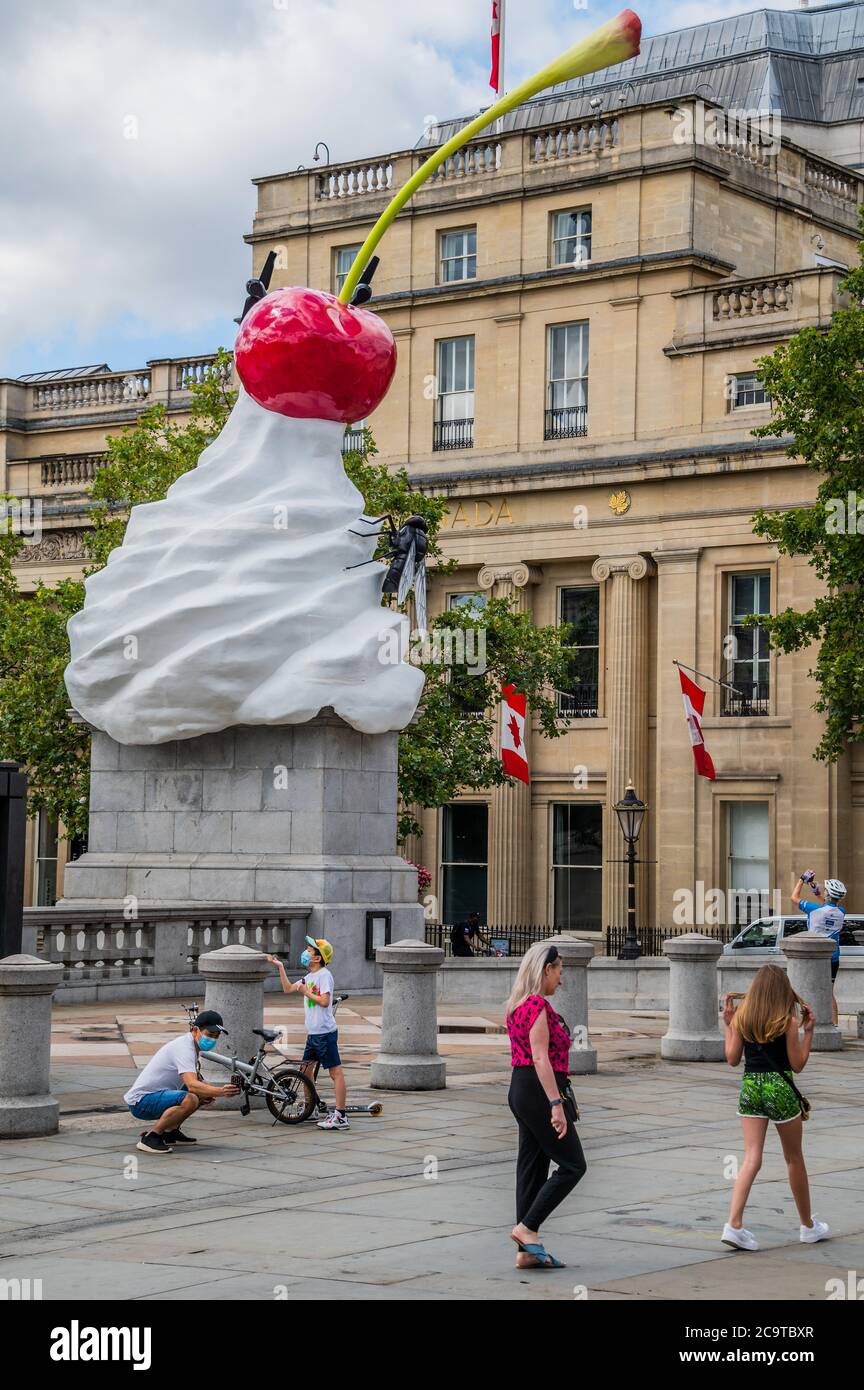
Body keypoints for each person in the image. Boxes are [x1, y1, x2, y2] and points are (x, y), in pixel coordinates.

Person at [721, 963, 828, 1251]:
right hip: (779, 1089)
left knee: (751, 1157)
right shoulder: (787, 1021)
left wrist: (728, 1024)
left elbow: (732, 1059)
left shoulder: (743, 1016)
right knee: (793, 1158)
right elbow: (797, 1065)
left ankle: (734, 1224)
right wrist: (810, 1032)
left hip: (751, 1087)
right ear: (782, 990)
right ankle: (807, 1226)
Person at [505, 941, 587, 1270]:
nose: (561, 979)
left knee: (531, 1167)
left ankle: (526, 1252)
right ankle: (527, 1228)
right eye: (559, 972)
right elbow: (540, 1057)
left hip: (520, 1088)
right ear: (546, 970)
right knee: (573, 1165)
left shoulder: (516, 1005)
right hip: (540, 1091)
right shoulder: (537, 1006)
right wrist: (556, 1103)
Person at [124, 1009, 239, 1154]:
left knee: (203, 1092)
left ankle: (170, 1131)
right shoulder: (184, 1048)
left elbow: (198, 1082)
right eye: (210, 1035)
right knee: (191, 1098)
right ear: (196, 1030)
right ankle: (151, 1137)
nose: (213, 1040)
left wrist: (208, 1091)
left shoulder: (191, 1045)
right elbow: (192, 1085)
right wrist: (221, 1091)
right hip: (141, 1102)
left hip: (154, 1096)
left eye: (216, 1037)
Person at [266, 936, 348, 1130]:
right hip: (313, 1034)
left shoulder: (324, 975)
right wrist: (280, 966)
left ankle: (341, 1115)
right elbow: (287, 989)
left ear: (318, 958)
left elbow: (325, 1001)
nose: (306, 953)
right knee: (305, 1072)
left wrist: (306, 992)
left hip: (325, 1033)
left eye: (310, 951)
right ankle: (311, 1107)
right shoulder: (309, 978)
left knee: (335, 1072)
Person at [792, 871, 847, 1025]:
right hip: (833, 957)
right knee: (829, 992)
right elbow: (828, 906)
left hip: (814, 955)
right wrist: (816, 892)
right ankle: (834, 1025)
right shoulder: (841, 912)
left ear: (828, 894)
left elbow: (794, 898)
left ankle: (803, 1024)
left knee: (805, 989)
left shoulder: (814, 910)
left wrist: (802, 880)